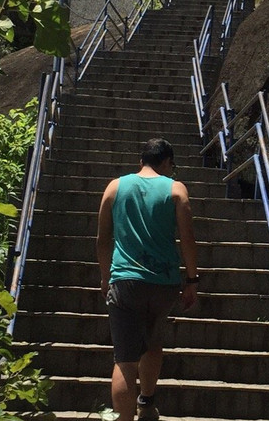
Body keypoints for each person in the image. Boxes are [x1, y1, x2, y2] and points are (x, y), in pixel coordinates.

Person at [96, 138, 198, 420]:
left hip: (125, 282)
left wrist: (106, 277)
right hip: (164, 284)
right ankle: (147, 401)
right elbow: (187, 239)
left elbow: (103, 239)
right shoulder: (176, 189)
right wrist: (192, 280)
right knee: (153, 343)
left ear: (141, 160)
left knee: (125, 361)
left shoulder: (115, 187)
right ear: (166, 163)